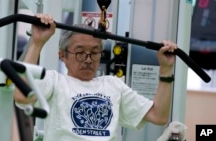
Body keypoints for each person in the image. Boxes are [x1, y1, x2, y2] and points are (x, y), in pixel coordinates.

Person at [14, 14, 177, 141]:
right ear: (62, 55)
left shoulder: (112, 85)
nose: (88, 59)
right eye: (80, 52)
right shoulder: (54, 81)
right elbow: (21, 96)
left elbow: (159, 115)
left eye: (94, 52)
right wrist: (37, 43)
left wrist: (166, 69)